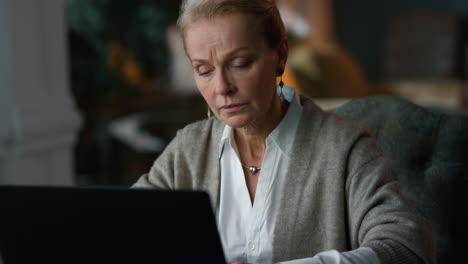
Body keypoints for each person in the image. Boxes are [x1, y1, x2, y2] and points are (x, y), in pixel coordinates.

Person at [133, 0, 435, 263]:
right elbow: (125, 230)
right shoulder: (188, 149)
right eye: (204, 70)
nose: (222, 87)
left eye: (240, 63)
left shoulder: (345, 148)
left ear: (280, 54)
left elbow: (407, 249)